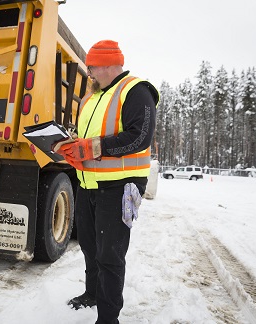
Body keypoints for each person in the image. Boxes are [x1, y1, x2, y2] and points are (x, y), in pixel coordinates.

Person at [55, 40, 159, 324]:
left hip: (120, 187)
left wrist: (91, 149)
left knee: (110, 255)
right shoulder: (90, 98)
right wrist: (66, 147)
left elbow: (140, 137)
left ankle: (108, 318)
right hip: (87, 184)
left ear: (111, 65)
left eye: (92, 67)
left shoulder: (136, 90)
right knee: (90, 246)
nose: (88, 73)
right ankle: (92, 294)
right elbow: (84, 140)